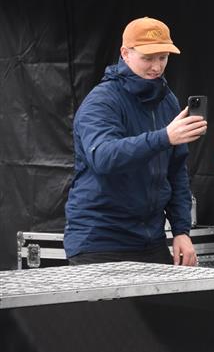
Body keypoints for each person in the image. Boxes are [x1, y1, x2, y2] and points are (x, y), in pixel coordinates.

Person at [64, 17, 206, 265]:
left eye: (162, 57)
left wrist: (182, 231)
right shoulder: (101, 101)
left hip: (150, 240)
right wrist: (164, 137)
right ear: (125, 54)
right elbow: (103, 157)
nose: (156, 66)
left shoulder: (167, 100)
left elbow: (177, 173)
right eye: (148, 58)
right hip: (100, 240)